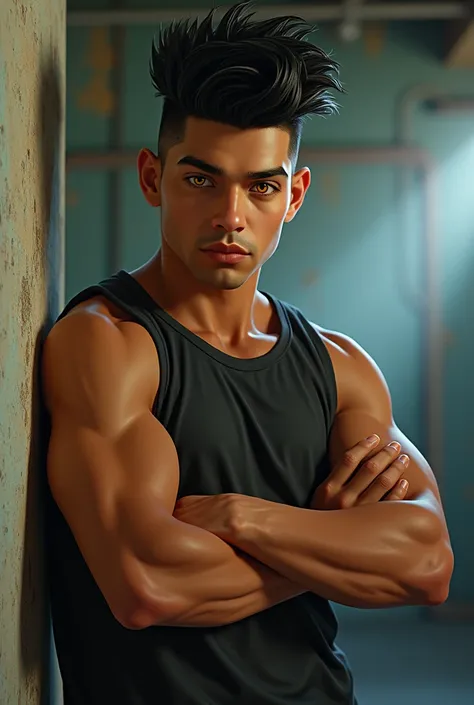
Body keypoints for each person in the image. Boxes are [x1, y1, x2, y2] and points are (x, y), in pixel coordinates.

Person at [42, 3, 453, 704]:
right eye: (202, 179)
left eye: (261, 186)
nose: (231, 215)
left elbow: (425, 560)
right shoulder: (107, 343)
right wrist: (330, 543)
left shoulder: (340, 366)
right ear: (152, 178)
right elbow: (147, 582)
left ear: (292, 196)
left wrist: (244, 517)